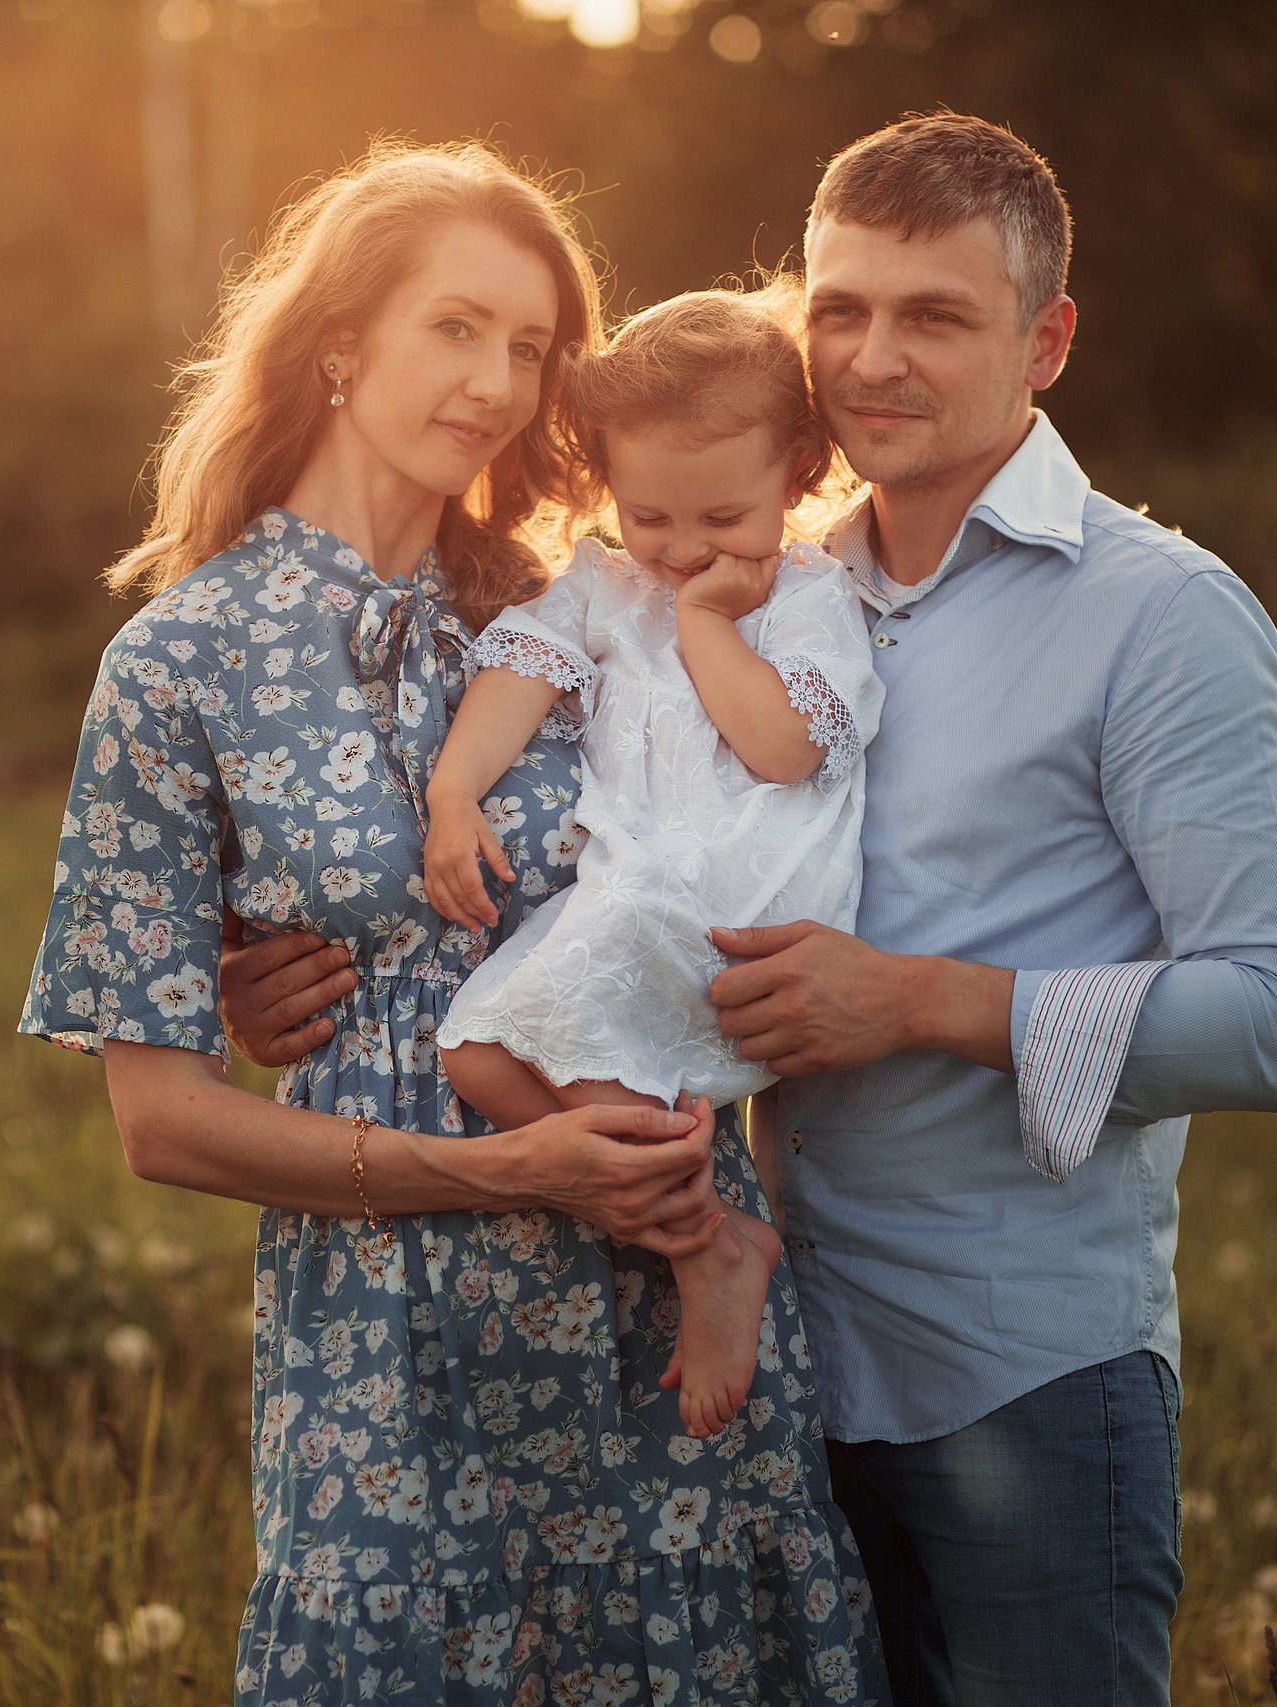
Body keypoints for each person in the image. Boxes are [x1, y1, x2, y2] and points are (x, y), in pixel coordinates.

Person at [223, 116, 1277, 1706]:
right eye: (841, 309)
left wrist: (921, 1000)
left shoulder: (1157, 616)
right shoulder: (759, 557)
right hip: (766, 1395)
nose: (873, 357)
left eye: (937, 316)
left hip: (1015, 1378)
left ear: (1050, 339)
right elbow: (600, 825)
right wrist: (270, 970)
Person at [20, 141, 889, 1706]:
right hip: (389, 1348)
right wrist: (496, 1167)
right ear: (342, 339)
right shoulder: (179, 662)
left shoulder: (597, 591)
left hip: (662, 1298)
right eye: (457, 327)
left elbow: (769, 810)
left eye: (533, 345)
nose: (498, 380)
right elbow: (158, 1121)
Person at [421, 285, 882, 1442]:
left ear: (798, 472)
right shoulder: (601, 585)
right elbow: (520, 671)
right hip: (635, 898)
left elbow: (780, 749)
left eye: (721, 517)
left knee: (532, 1007)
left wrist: (707, 628)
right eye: (650, 519)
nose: (682, 553)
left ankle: (706, 1252)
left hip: (749, 908)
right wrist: (452, 788)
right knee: (477, 1055)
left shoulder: (814, 601)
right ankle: (706, 1237)